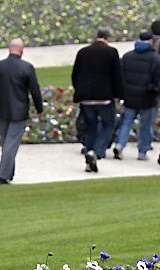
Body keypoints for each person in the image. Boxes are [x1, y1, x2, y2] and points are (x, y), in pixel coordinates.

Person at [0, 38, 43, 185]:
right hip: (19, 110)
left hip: (3, 110)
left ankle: (8, 173)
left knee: (7, 142)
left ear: (9, 49)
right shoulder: (26, 67)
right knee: (11, 144)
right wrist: (40, 109)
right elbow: (35, 90)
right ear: (22, 50)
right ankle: (2, 175)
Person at [71, 28, 123, 172]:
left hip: (86, 97)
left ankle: (89, 157)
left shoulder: (83, 52)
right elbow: (117, 76)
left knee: (91, 127)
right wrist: (118, 94)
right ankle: (97, 151)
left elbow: (75, 74)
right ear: (107, 38)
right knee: (108, 124)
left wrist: (80, 91)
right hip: (104, 97)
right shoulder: (111, 52)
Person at [113, 32, 160, 161]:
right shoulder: (155, 59)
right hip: (147, 97)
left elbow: (120, 77)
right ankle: (142, 151)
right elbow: (159, 80)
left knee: (126, 122)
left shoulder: (128, 56)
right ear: (150, 42)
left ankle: (120, 144)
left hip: (130, 95)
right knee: (145, 125)